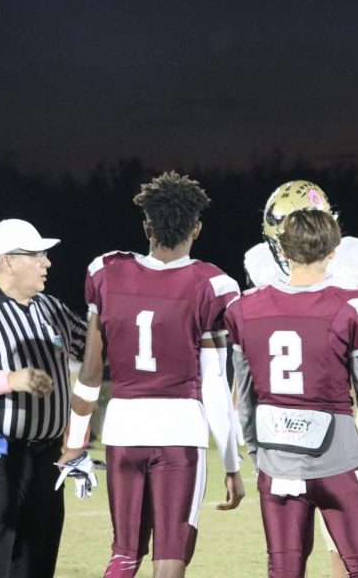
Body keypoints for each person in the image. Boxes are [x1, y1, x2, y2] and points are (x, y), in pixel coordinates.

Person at [59, 172, 244, 577]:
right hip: (180, 432)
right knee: (169, 560)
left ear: (146, 226)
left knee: (124, 555)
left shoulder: (106, 270)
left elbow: (91, 371)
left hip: (124, 429)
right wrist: (232, 464)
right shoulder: (213, 284)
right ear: (196, 227)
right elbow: (214, 384)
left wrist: (75, 442)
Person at [227, 208, 358, 577]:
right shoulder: (354, 306)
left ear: (283, 251)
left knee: (284, 569)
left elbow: (245, 399)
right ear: (333, 250)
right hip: (338, 463)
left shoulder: (244, 308)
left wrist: (258, 454)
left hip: (276, 464)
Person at [0, 219, 86, 578]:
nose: (46, 262)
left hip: (48, 455)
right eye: (36, 255)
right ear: (6, 261)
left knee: (39, 555)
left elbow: (97, 350)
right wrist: (11, 379)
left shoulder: (52, 309)